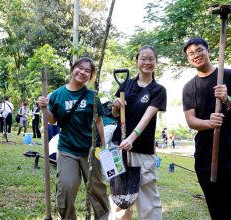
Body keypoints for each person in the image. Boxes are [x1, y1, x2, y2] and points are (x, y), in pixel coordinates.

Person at [182, 37, 231, 220]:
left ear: (208, 51)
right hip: (207, 158)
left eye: (199, 50)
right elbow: (191, 120)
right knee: (218, 212)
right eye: (191, 54)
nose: (196, 55)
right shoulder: (189, 87)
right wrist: (209, 123)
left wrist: (228, 99)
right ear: (189, 60)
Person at [37, 57, 109, 220]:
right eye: (80, 68)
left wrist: (104, 146)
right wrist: (43, 108)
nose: (83, 72)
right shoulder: (57, 94)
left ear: (90, 76)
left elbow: (99, 122)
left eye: (87, 71)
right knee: (67, 187)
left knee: (96, 189)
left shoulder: (93, 96)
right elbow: (53, 120)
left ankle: (103, 218)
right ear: (73, 69)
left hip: (91, 150)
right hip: (67, 149)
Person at [110, 45, 167, 220]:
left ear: (156, 62)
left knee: (148, 201)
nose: (147, 62)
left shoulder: (158, 90)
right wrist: (115, 105)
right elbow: (114, 115)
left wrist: (131, 138)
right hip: (117, 148)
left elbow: (147, 118)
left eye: (151, 59)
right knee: (119, 199)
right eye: (143, 58)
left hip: (142, 150)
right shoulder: (125, 85)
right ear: (137, 61)